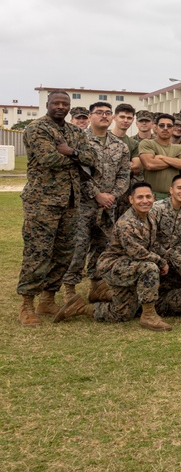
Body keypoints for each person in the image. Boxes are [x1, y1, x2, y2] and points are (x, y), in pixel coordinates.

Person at [17, 91, 98, 326]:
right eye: (57, 103)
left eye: (65, 104)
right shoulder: (37, 128)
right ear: (47, 104)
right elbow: (48, 159)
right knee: (38, 253)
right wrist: (78, 158)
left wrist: (72, 152)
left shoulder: (75, 132)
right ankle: (27, 305)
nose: (61, 107)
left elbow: (92, 158)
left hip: (71, 202)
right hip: (42, 201)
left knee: (63, 254)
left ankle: (47, 299)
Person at [54, 182, 172, 331]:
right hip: (113, 265)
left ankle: (79, 308)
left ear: (153, 198)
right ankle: (148, 316)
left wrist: (168, 255)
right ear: (131, 200)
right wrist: (161, 262)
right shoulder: (127, 223)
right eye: (140, 197)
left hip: (129, 264)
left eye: (148, 196)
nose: (145, 200)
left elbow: (152, 243)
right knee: (149, 268)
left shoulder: (150, 217)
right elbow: (138, 252)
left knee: (122, 313)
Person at [62, 101, 132, 303]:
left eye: (108, 113)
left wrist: (112, 195)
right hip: (82, 205)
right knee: (78, 247)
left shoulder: (120, 146)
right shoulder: (78, 141)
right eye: (99, 112)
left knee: (102, 247)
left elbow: (124, 174)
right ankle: (69, 289)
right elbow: (76, 172)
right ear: (90, 116)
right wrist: (96, 194)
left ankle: (97, 286)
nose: (104, 116)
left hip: (107, 207)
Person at [138, 113, 181, 200]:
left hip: (173, 198)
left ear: (173, 128)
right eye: (162, 125)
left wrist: (162, 157)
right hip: (151, 198)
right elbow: (149, 164)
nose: (165, 128)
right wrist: (176, 161)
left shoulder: (178, 147)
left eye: (169, 126)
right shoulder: (147, 143)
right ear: (155, 128)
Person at [148, 173, 181, 251]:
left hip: (175, 255)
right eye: (179, 188)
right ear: (171, 190)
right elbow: (149, 237)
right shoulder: (156, 209)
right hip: (154, 252)